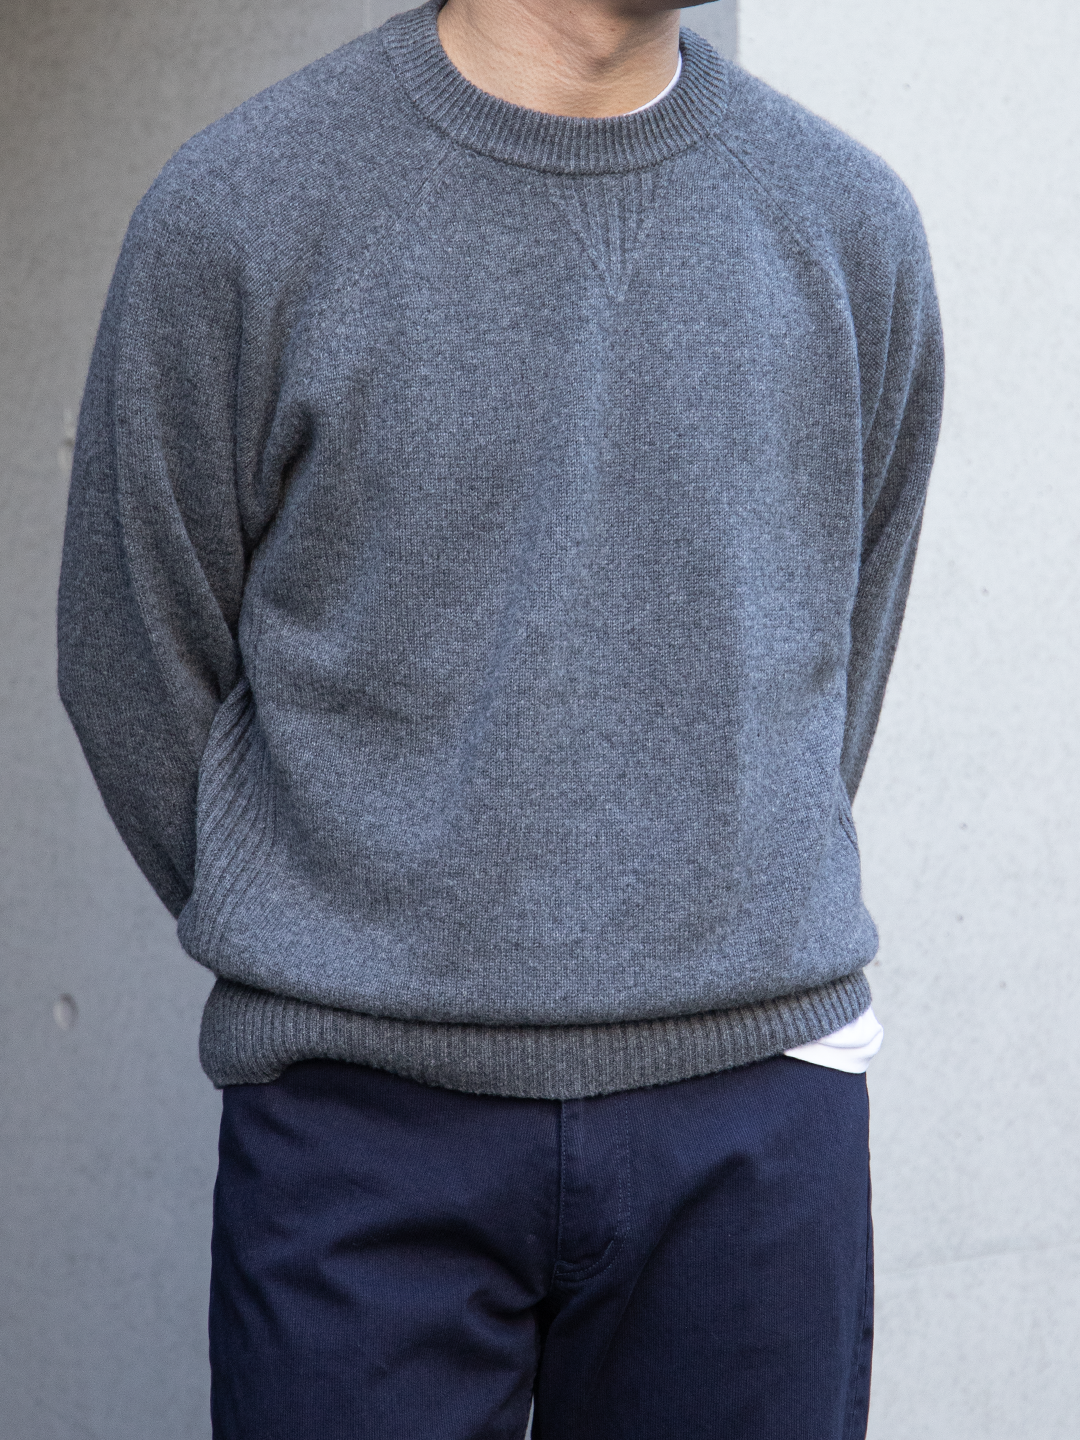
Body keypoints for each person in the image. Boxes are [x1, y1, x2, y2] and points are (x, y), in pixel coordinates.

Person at [56, 0, 943, 1433]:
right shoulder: (239, 211)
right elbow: (132, 653)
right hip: (361, 1128)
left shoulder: (848, 223)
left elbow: (843, 641)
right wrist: (333, 937)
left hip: (753, 1126)